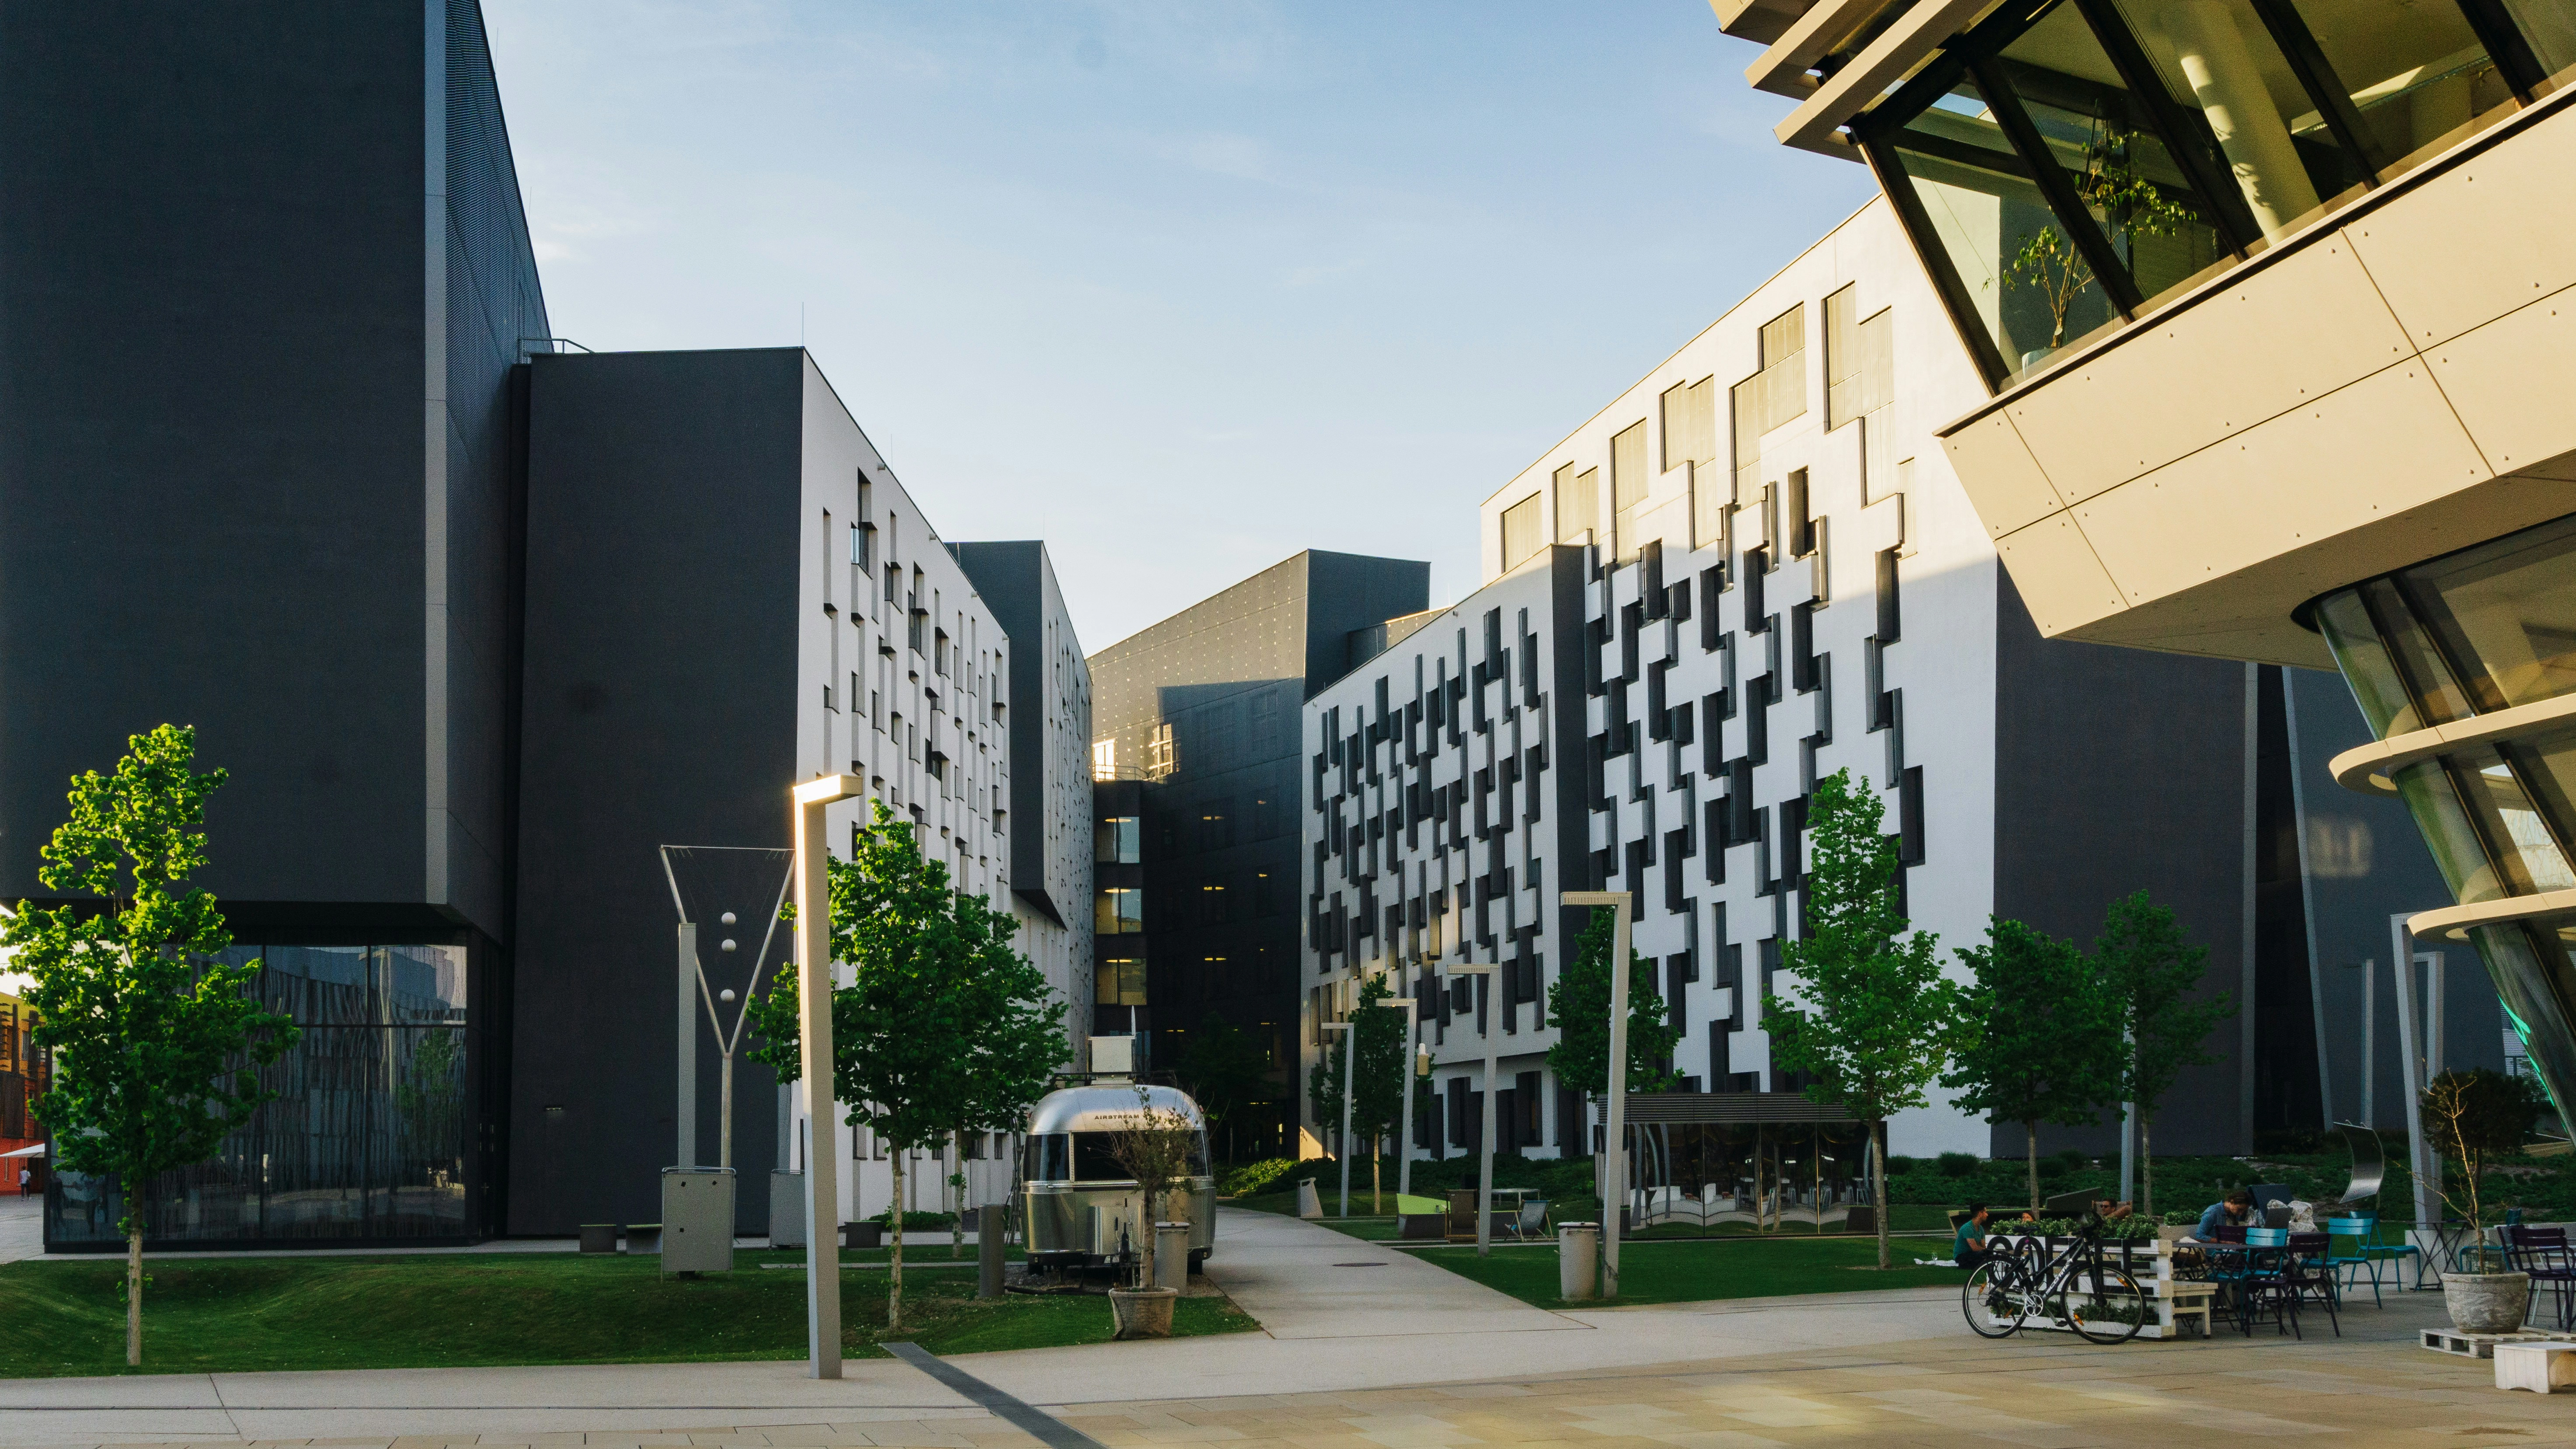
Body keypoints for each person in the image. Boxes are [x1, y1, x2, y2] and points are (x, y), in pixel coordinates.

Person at [2186, 1188, 2255, 1243]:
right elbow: (2199, 1236)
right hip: (2215, 1253)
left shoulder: (2233, 1214)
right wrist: (2225, 1242)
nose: (2241, 1214)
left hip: (2229, 1251)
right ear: (2232, 1202)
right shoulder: (2213, 1211)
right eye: (2240, 1210)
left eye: (2243, 1211)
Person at [1955, 1203, 1994, 1268]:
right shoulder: (1968, 1228)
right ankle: (1964, 1265)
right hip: (1962, 1255)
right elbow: (1975, 1248)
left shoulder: (1981, 1228)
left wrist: (1989, 1252)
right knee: (1987, 1257)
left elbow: (1983, 1246)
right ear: (1980, 1213)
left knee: (1989, 1257)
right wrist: (1990, 1252)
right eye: (1985, 1212)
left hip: (1973, 1254)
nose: (1987, 1215)